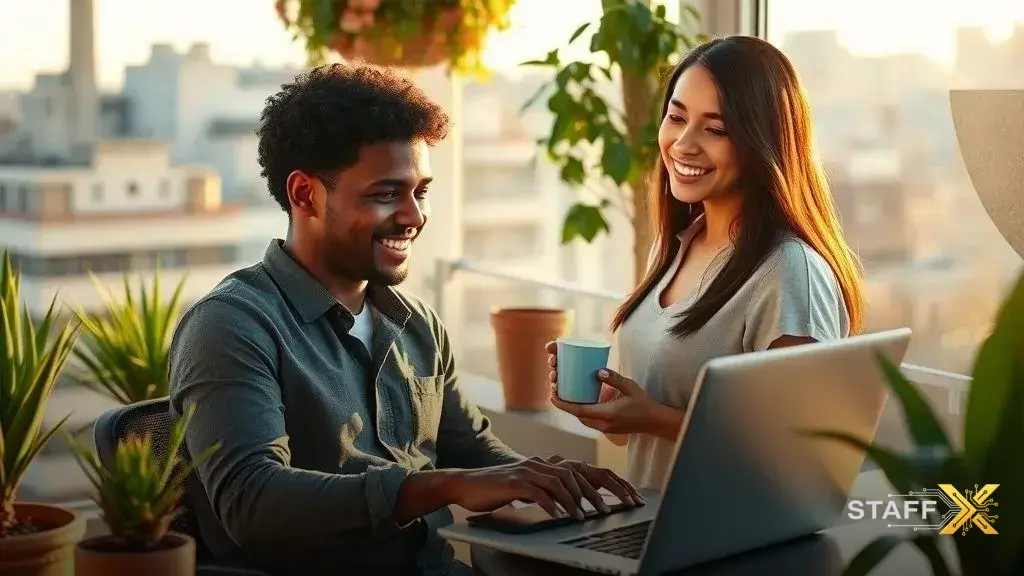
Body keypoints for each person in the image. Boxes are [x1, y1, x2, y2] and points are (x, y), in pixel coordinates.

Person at [167, 63, 643, 576]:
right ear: (305, 194)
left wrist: (549, 479)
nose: (414, 216)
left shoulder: (418, 325)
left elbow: (471, 449)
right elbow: (252, 502)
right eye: (385, 193)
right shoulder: (230, 327)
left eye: (421, 191)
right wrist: (442, 485)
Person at [548, 35, 866, 492]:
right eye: (677, 117)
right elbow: (655, 414)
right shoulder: (674, 247)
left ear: (763, 142)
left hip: (732, 546)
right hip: (648, 526)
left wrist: (656, 419)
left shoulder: (791, 271)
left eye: (714, 130)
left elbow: (798, 452)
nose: (682, 143)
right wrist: (611, 406)